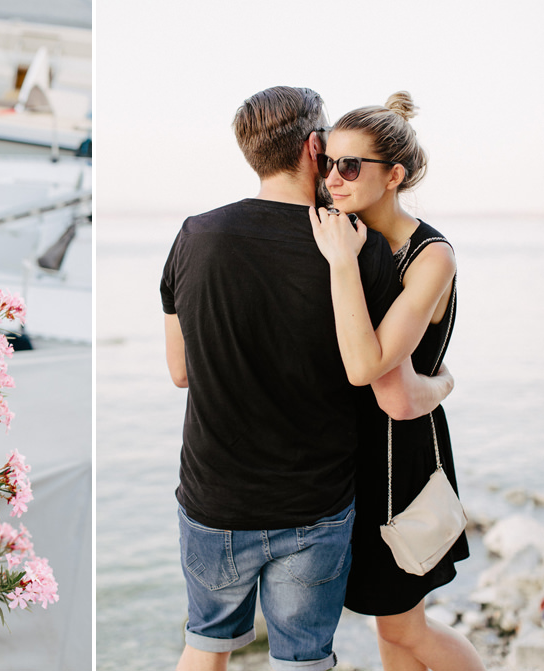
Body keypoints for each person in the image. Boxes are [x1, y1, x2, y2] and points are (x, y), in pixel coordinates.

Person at [160, 86, 454, 671]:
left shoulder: (195, 235)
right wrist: (446, 381)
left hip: (216, 496)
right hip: (315, 501)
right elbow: (371, 370)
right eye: (335, 159)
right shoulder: (358, 247)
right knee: (304, 658)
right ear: (314, 148)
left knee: (206, 643)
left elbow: (180, 372)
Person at [309, 92, 485, 670]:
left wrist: (340, 265)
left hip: (397, 458)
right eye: (328, 162)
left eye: (351, 166)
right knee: (392, 631)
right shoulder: (345, 233)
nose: (333, 178)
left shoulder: (430, 256)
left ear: (396, 175)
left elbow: (369, 367)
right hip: (353, 452)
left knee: (407, 630)